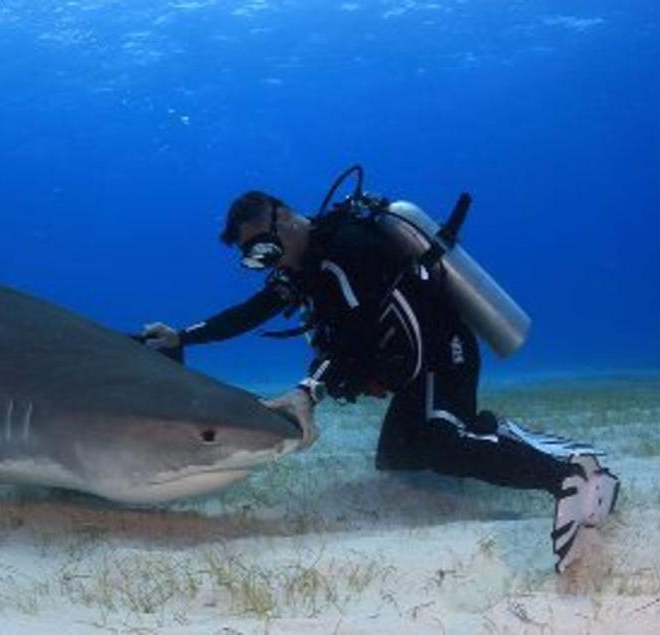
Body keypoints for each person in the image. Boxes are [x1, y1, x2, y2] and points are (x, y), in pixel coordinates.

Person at [142, 179, 619, 573]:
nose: (270, 264)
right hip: (414, 369)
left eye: (266, 249)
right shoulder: (308, 269)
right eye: (255, 260)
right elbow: (250, 312)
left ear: (283, 217)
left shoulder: (346, 250)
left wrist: (309, 389)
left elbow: (358, 334)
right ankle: (502, 433)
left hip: (442, 354)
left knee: (438, 441)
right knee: (399, 459)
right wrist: (183, 336)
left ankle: (569, 478)